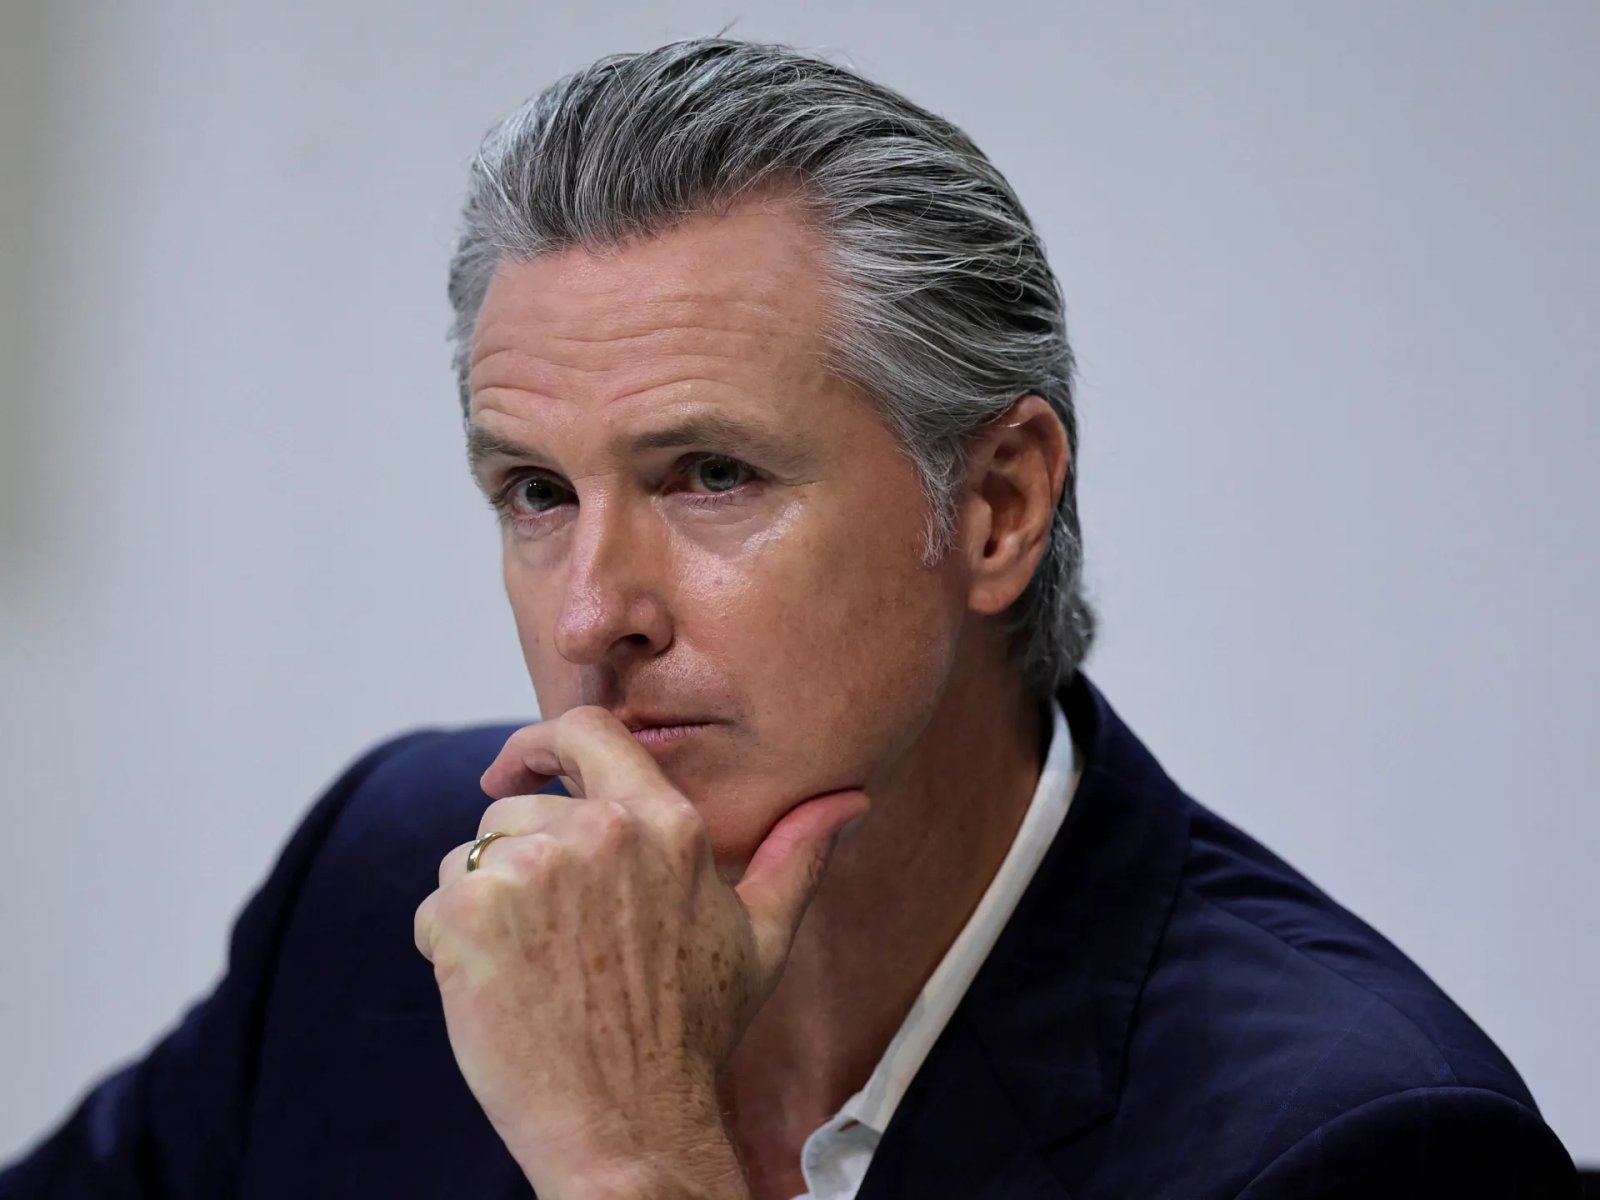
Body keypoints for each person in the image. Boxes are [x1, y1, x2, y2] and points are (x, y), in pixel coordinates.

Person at [0, 37, 1579, 1200]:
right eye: (536, 492)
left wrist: (635, 1166)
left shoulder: (1357, 1146)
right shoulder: (406, 887)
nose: (593, 616)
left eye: (710, 475)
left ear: (996, 507)